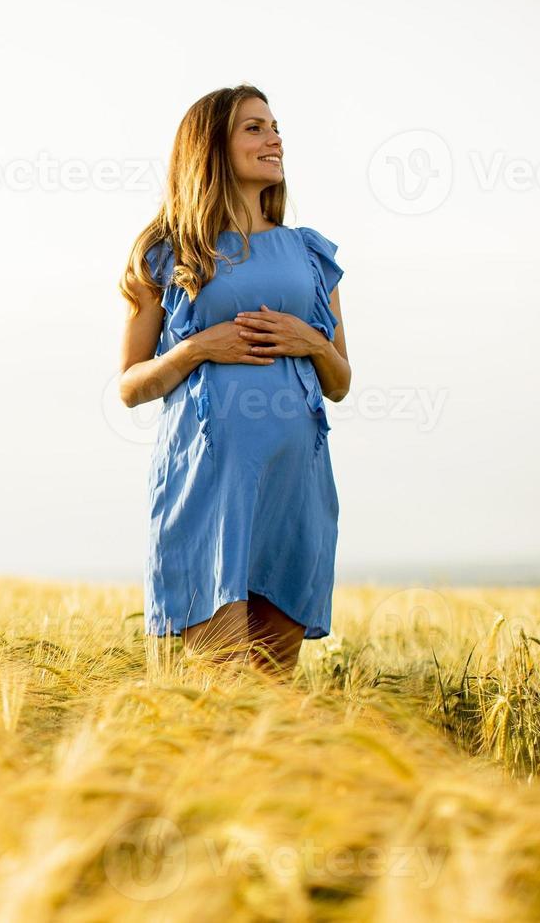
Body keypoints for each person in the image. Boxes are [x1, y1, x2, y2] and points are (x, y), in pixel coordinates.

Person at [116, 84, 352, 680]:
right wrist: (197, 348)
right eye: (254, 127)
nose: (274, 137)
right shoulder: (168, 251)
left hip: (295, 483)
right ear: (210, 146)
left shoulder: (310, 254)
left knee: (272, 693)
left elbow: (341, 382)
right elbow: (130, 386)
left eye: (275, 126)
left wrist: (312, 342)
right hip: (210, 482)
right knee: (219, 683)